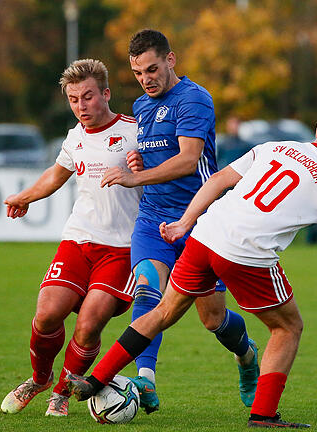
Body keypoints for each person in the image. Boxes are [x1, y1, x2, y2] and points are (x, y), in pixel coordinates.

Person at [66, 100, 317, 428]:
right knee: (288, 327)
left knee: (164, 311)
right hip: (247, 255)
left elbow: (220, 180)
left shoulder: (276, 147)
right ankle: (263, 416)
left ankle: (95, 379)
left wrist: (185, 221)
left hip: (206, 234)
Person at [98, 29, 259, 413]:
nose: (146, 79)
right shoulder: (142, 105)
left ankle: (248, 357)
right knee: (147, 289)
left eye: (152, 69)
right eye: (138, 73)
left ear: (170, 60)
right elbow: (156, 156)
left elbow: (188, 159)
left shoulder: (195, 99)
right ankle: (146, 381)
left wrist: (134, 176)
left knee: (212, 319)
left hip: (202, 222)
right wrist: (139, 161)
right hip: (153, 217)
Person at [0, 59, 143, 417]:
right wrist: (24, 197)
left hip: (122, 247)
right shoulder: (75, 136)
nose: (81, 106)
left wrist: (143, 169)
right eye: (74, 99)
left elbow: (163, 172)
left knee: (90, 323)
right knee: (47, 314)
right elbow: (55, 175)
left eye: (88, 97)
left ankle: (62, 392)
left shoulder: (135, 130)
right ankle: (40, 379)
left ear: (106, 94)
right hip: (79, 239)